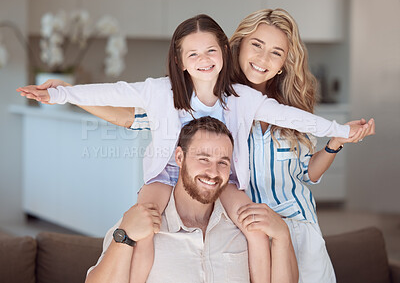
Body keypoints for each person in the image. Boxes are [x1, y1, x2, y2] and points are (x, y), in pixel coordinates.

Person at [17, 14, 367, 283]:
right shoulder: (161, 92)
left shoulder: (242, 100)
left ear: (223, 53)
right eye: (193, 53)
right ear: (180, 60)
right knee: (145, 228)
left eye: (211, 51)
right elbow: (118, 96)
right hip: (164, 177)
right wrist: (63, 93)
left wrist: (338, 130)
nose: (203, 59)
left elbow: (290, 116)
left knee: (255, 229)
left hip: (223, 181)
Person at [226, 8, 375, 283]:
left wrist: (336, 142)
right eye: (256, 45)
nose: (263, 59)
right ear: (239, 47)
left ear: (283, 63)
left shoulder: (293, 110)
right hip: (243, 232)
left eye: (276, 52)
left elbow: (308, 174)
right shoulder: (218, 106)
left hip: (298, 229)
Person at [85, 116, 299, 283]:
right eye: (203, 159)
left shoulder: (243, 227)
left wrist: (282, 234)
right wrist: (124, 237)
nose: (212, 172)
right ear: (180, 157)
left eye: (222, 162)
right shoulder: (140, 225)